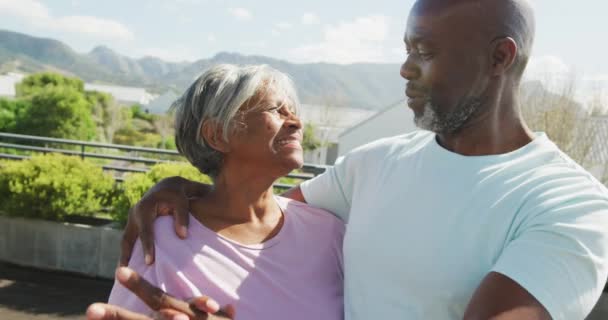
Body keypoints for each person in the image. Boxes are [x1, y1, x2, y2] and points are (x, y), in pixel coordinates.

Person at [91, 0, 608, 319]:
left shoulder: (573, 206)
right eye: (406, 50)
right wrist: (186, 189)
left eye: (424, 51)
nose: (405, 69)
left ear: (500, 57)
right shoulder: (374, 165)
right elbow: (257, 220)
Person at [102, 64, 345, 320]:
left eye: (293, 111)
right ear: (217, 134)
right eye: (276, 110)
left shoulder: (328, 232)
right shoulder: (162, 237)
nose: (296, 122)